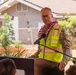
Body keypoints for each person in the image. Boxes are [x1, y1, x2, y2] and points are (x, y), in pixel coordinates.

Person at [36, 7, 71, 75]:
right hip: (42, 66)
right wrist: (28, 59)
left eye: (47, 15)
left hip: (56, 66)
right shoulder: (41, 31)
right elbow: (40, 51)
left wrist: (64, 61)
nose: (45, 18)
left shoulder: (59, 29)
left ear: (51, 16)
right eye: (43, 16)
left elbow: (67, 47)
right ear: (41, 17)